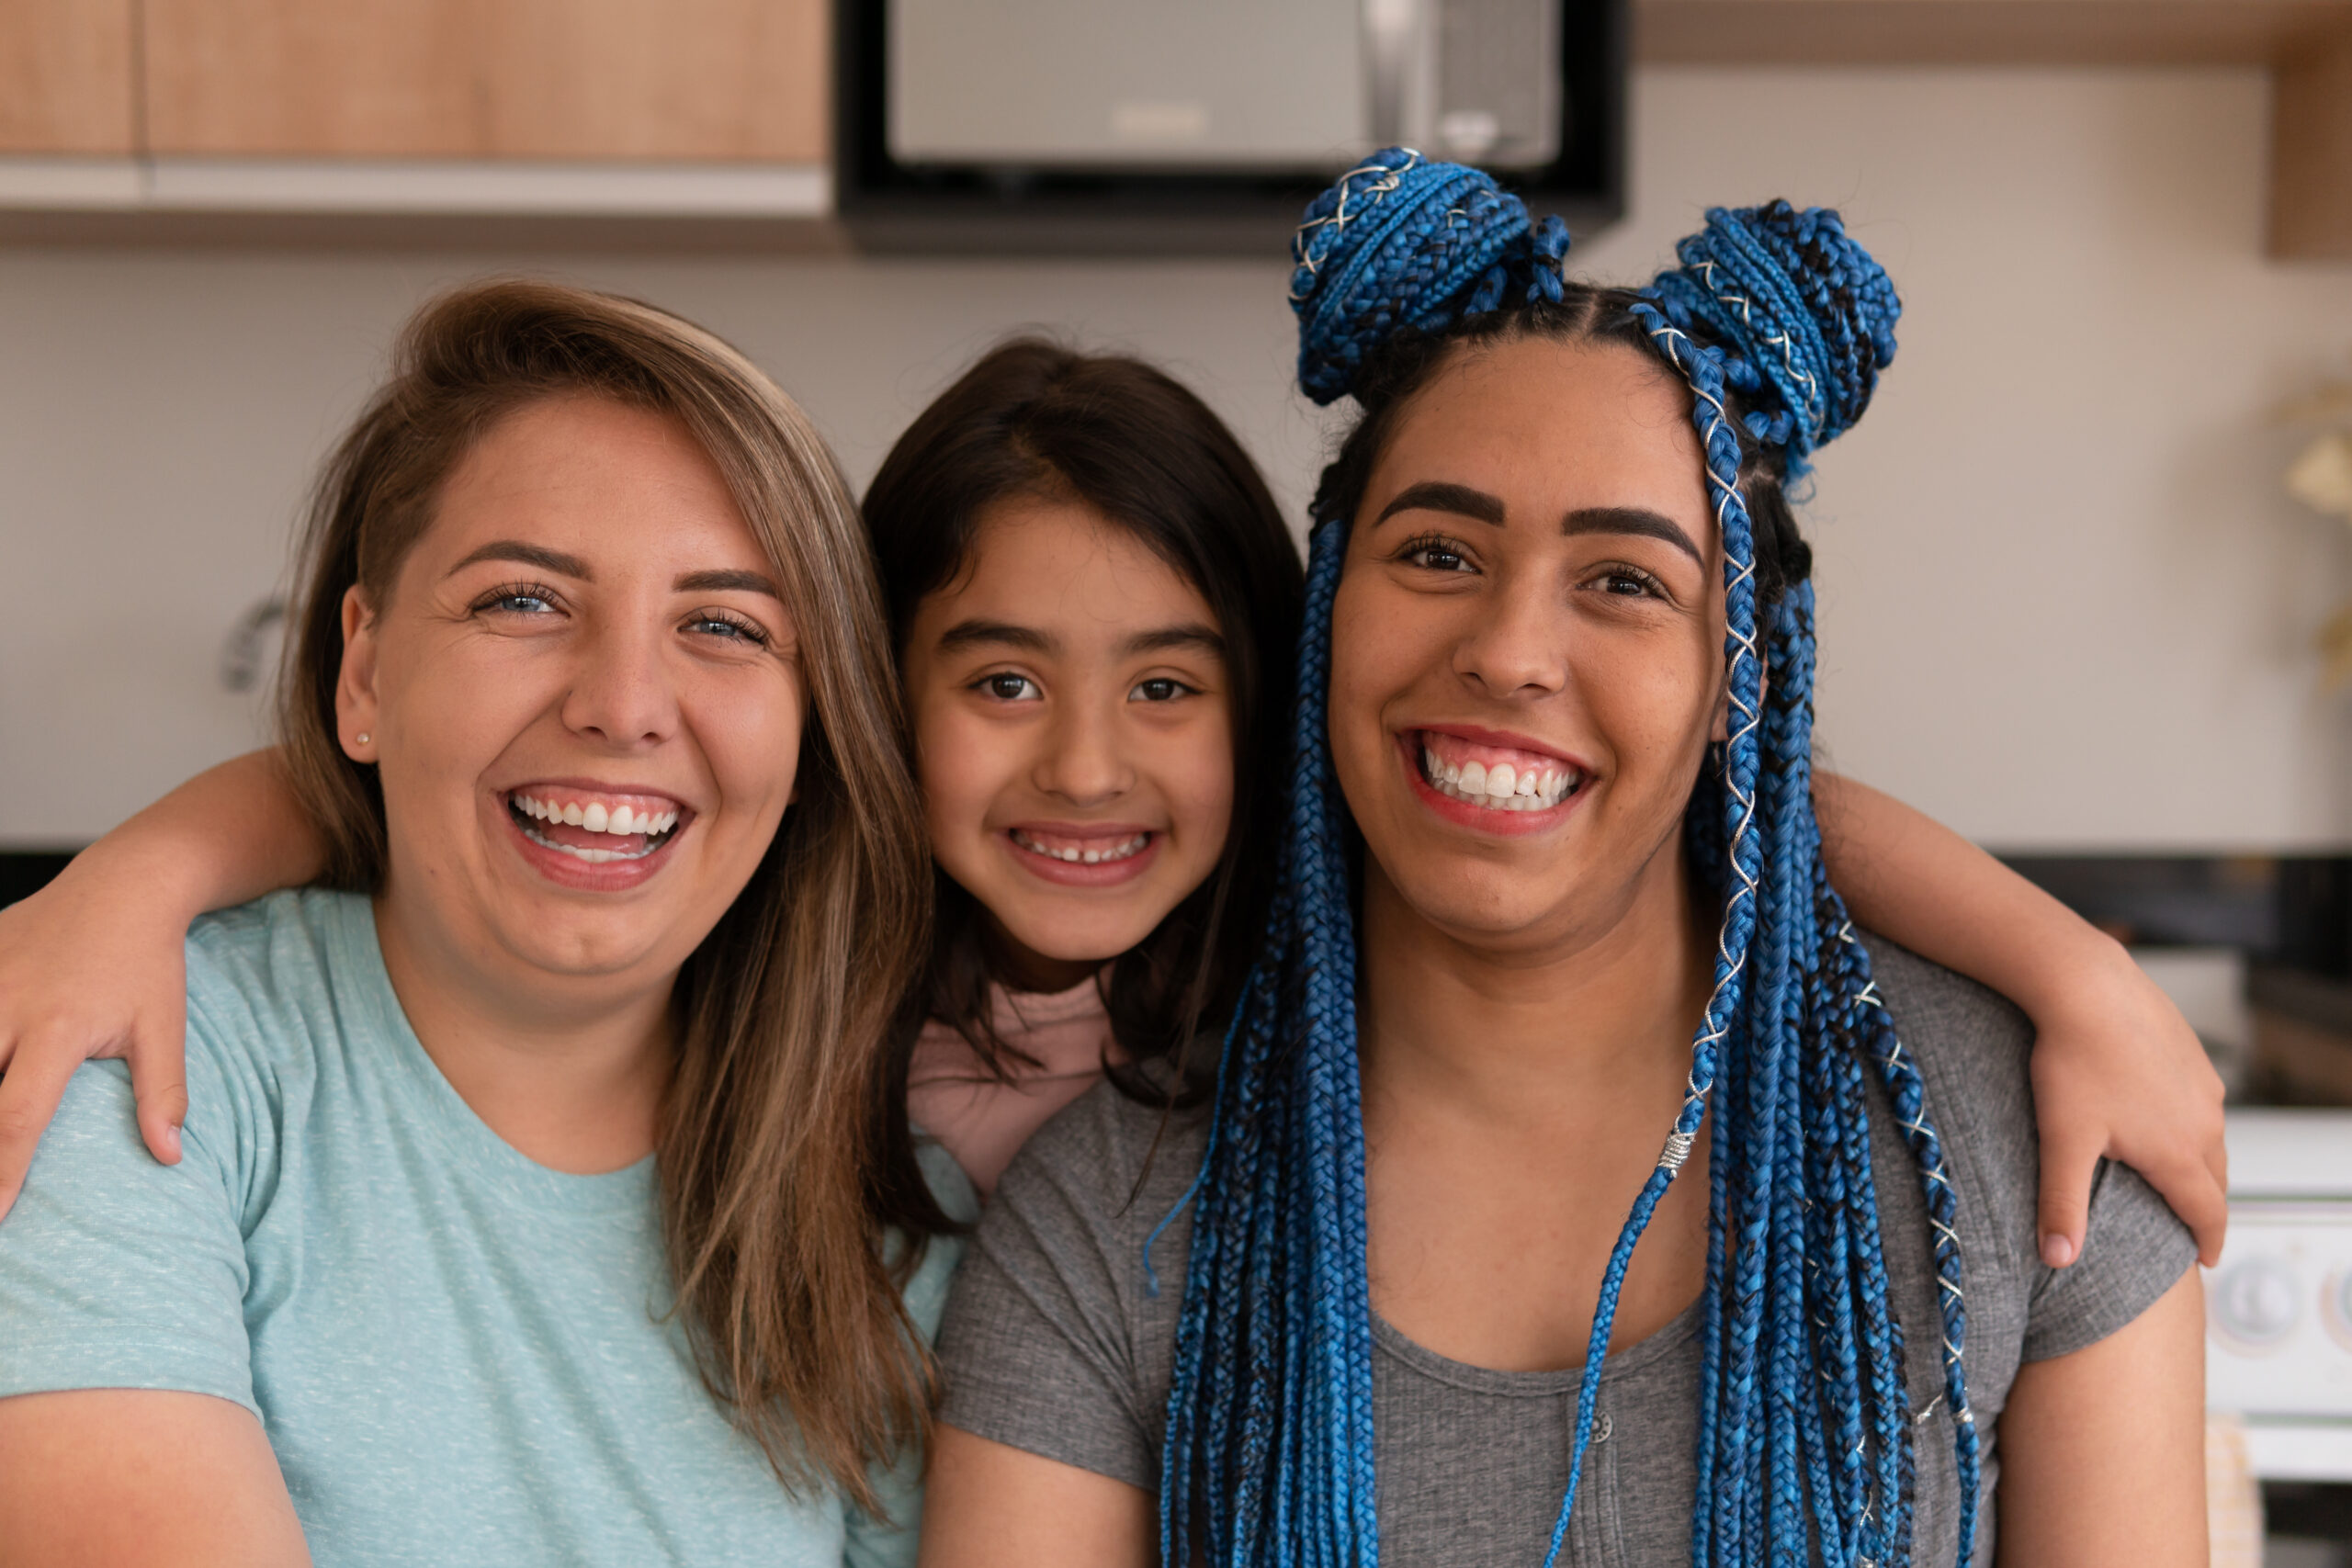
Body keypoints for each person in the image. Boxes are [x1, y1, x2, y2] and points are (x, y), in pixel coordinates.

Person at [0, 345, 2226, 1259]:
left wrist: (2062, 957)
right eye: (993, 679)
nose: (1083, 766)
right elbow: (395, 779)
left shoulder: (1320, 941)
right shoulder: (767, 945)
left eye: (1167, 684)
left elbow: (1722, 788)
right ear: (864, 695)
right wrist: (137, 875)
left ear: (1271, 703)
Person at [921, 155, 2206, 1567]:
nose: (1510, 652)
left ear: (1737, 677)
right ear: (1329, 618)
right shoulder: (1104, 1222)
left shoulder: (2029, 1150)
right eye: (1437, 554)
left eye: (1625, 581)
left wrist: (2075, 969)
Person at [0, 282, 965, 1565]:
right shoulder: (139, 1070)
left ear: (810, 736)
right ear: (366, 671)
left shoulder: (887, 1227)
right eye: (524, 601)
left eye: (724, 626)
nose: (625, 705)